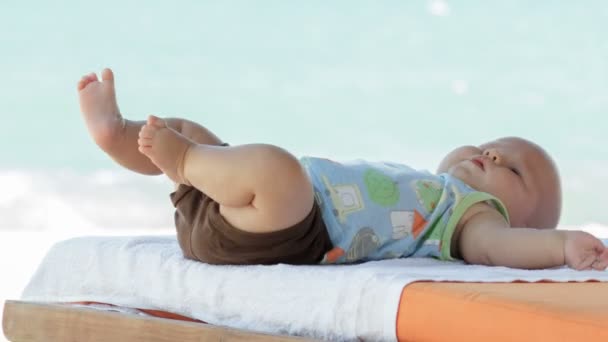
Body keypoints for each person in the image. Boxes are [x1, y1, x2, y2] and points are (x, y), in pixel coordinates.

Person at [77, 68, 608, 271]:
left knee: (276, 167)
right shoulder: (434, 189)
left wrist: (560, 247)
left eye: (512, 170)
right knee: (201, 132)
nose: (491, 155)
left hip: (291, 231)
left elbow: (502, 250)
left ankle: (186, 161)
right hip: (239, 208)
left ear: (513, 217)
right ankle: (119, 134)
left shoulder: (472, 220)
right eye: (492, 145)